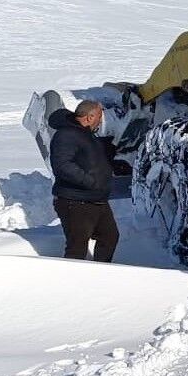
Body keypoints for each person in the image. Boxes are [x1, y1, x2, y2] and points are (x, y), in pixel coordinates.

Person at [47, 99, 120, 262]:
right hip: (75, 201)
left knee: (109, 237)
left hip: (96, 199)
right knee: (77, 247)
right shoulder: (66, 134)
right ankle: (73, 284)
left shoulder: (87, 135)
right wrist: (91, 182)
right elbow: (62, 165)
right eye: (99, 118)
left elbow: (90, 160)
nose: (100, 123)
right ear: (89, 117)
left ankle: (100, 275)